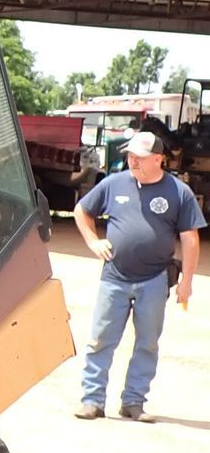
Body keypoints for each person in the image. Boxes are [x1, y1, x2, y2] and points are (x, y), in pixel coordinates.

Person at [73, 130, 202, 419]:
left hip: (154, 280)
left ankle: (133, 402)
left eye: (140, 157)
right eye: (130, 156)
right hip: (114, 278)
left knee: (147, 343)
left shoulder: (179, 192)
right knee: (101, 339)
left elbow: (190, 238)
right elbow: (82, 211)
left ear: (158, 159)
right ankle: (92, 400)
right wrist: (93, 241)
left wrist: (187, 281)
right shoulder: (113, 183)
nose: (133, 161)